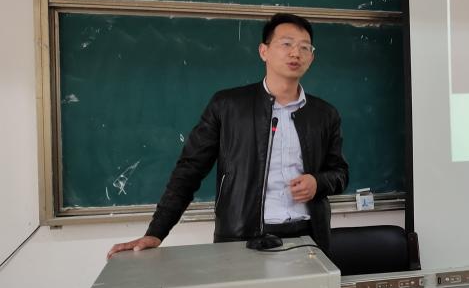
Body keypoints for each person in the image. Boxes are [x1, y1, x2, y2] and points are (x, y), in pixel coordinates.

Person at [107, 13, 349, 258]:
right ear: (264, 51)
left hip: (309, 240)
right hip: (243, 238)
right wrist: (156, 231)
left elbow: (340, 174)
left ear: (311, 57)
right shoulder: (227, 106)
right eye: (286, 44)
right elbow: (189, 170)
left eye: (304, 47)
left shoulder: (324, 114)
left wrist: (318, 183)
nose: (295, 53)